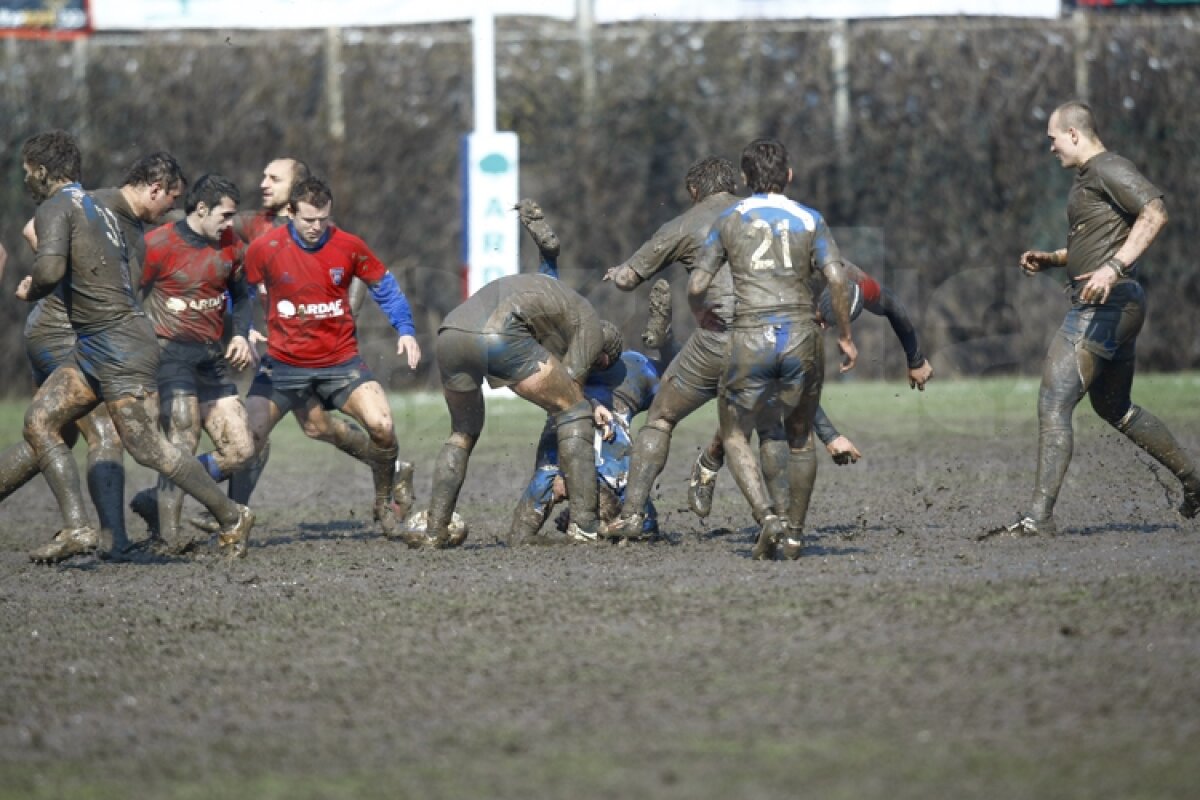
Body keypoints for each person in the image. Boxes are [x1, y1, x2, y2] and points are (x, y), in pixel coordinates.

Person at [16, 133, 254, 562]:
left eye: (27, 173)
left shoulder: (60, 205)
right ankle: (78, 527)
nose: (25, 181)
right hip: (96, 345)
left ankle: (232, 515)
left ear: (43, 171)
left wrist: (33, 286)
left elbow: (49, 268)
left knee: (149, 450)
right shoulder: (102, 204)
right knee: (39, 420)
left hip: (120, 346)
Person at [1010, 100, 1199, 535]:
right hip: (1119, 303)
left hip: (1107, 304)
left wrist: (1113, 269)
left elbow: (1155, 211)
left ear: (1074, 134)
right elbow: (1101, 239)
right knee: (1114, 407)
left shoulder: (1108, 168)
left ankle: (1038, 519)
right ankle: (1194, 482)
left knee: (1053, 400)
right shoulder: (1088, 178)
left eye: (1053, 139)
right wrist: (1055, 258)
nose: (1051, 148)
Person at [204, 157, 413, 531]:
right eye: (308, 221)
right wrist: (244, 329)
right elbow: (242, 290)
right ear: (292, 212)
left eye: (323, 220)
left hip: (340, 363)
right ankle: (213, 506)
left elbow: (381, 285)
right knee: (246, 442)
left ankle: (384, 497)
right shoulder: (262, 242)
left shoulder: (347, 245)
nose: (317, 228)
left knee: (380, 425)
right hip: (283, 366)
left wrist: (406, 329)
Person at [602, 156, 796, 541]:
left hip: (717, 339)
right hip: (774, 339)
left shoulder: (683, 225)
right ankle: (783, 518)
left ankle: (633, 515)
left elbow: (628, 279)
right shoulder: (770, 216)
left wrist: (616, 273)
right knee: (770, 429)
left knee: (660, 418)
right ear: (734, 184)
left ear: (694, 191)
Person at [687, 138, 856, 561]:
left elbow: (696, 284)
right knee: (800, 439)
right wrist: (846, 337)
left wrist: (699, 314)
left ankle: (767, 518)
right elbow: (837, 279)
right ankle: (795, 535)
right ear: (790, 176)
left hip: (750, 336)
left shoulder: (730, 219)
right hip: (802, 335)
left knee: (734, 432)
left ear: (745, 179)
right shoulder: (810, 218)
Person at [685, 260, 935, 517]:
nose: (824, 328)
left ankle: (764, 503)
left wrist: (915, 359)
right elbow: (791, 381)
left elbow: (891, 303)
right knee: (753, 404)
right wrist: (830, 436)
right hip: (742, 316)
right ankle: (713, 462)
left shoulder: (855, 282)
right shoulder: (788, 300)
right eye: (822, 320)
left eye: (832, 324)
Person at [405, 272, 621, 549]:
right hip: (498, 333)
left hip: (451, 333)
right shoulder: (589, 325)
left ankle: (435, 531)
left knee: (462, 432)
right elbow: (570, 398)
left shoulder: (560, 312)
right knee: (575, 413)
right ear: (602, 357)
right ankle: (585, 527)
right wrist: (590, 405)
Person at [127, 173, 257, 551]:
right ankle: (168, 538)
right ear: (202, 209)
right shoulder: (157, 244)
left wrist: (239, 334)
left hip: (211, 360)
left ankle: (158, 496)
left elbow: (243, 297)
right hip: (169, 357)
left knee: (241, 450)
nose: (231, 224)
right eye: (226, 215)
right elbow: (129, 297)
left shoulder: (232, 246)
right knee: (182, 435)